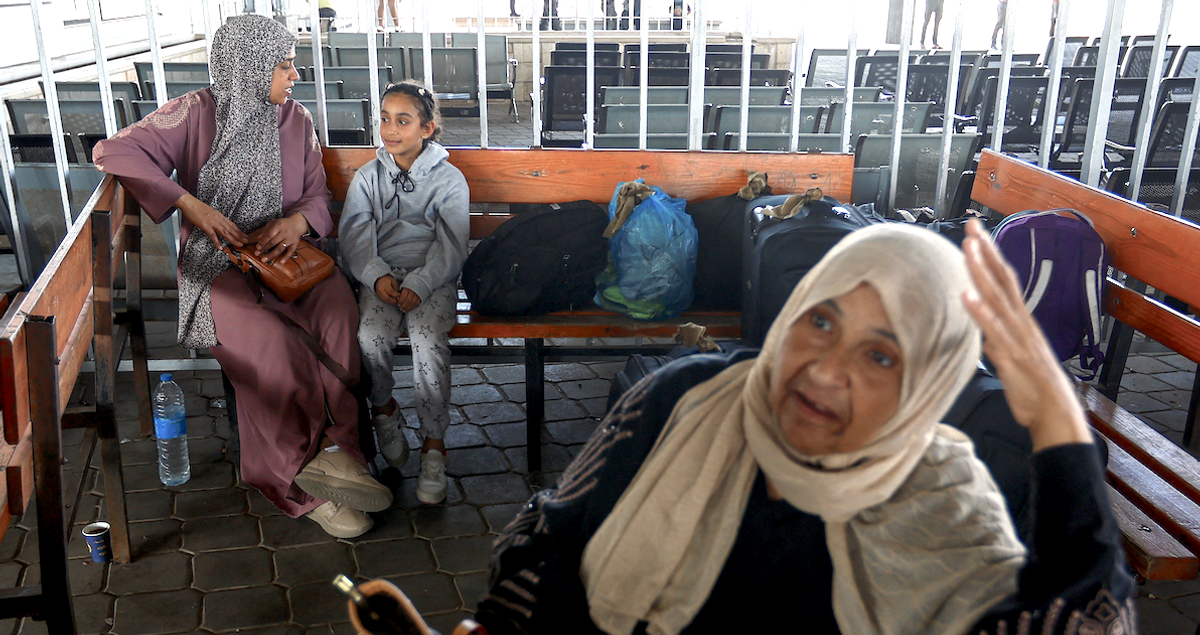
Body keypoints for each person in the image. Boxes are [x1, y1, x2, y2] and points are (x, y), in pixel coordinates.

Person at [473, 221, 1134, 634]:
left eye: (880, 355)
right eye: (821, 320)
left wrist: (1059, 431)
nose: (826, 369)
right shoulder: (684, 398)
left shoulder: (947, 508)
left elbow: (1088, 623)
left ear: (925, 389)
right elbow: (541, 533)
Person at [93, 15, 392, 539]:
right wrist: (191, 205)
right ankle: (301, 483)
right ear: (248, 66)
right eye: (283, 65)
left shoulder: (296, 119)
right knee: (273, 341)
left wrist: (296, 221)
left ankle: (344, 454)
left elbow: (317, 196)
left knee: (338, 313)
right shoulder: (194, 113)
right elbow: (111, 150)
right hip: (218, 265)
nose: (294, 75)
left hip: (289, 259)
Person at [338, 81, 469, 505]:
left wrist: (423, 282)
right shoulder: (368, 177)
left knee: (429, 340)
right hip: (382, 280)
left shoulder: (449, 180)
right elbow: (356, 235)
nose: (390, 129)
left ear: (427, 129)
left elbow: (452, 243)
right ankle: (383, 409)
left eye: (403, 120)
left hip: (433, 279)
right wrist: (375, 276)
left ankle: (434, 445)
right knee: (369, 338)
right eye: (384, 118)